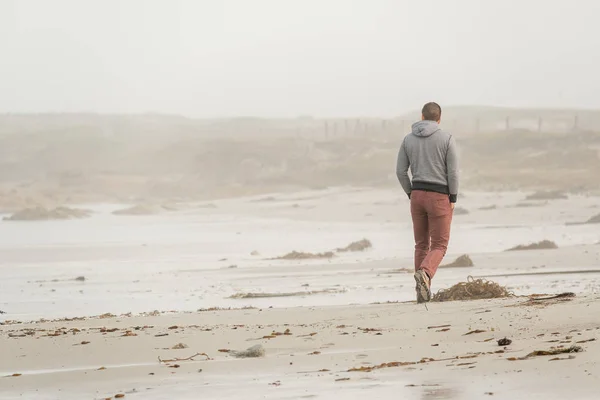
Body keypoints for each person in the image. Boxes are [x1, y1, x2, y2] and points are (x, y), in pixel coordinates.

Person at [396, 102, 459, 303]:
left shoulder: (407, 140)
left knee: (421, 244)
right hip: (439, 196)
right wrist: (453, 197)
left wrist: (410, 192)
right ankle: (425, 272)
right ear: (439, 119)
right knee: (440, 245)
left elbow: (400, 172)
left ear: (422, 117)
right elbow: (453, 173)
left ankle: (421, 293)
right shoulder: (447, 139)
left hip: (417, 195)